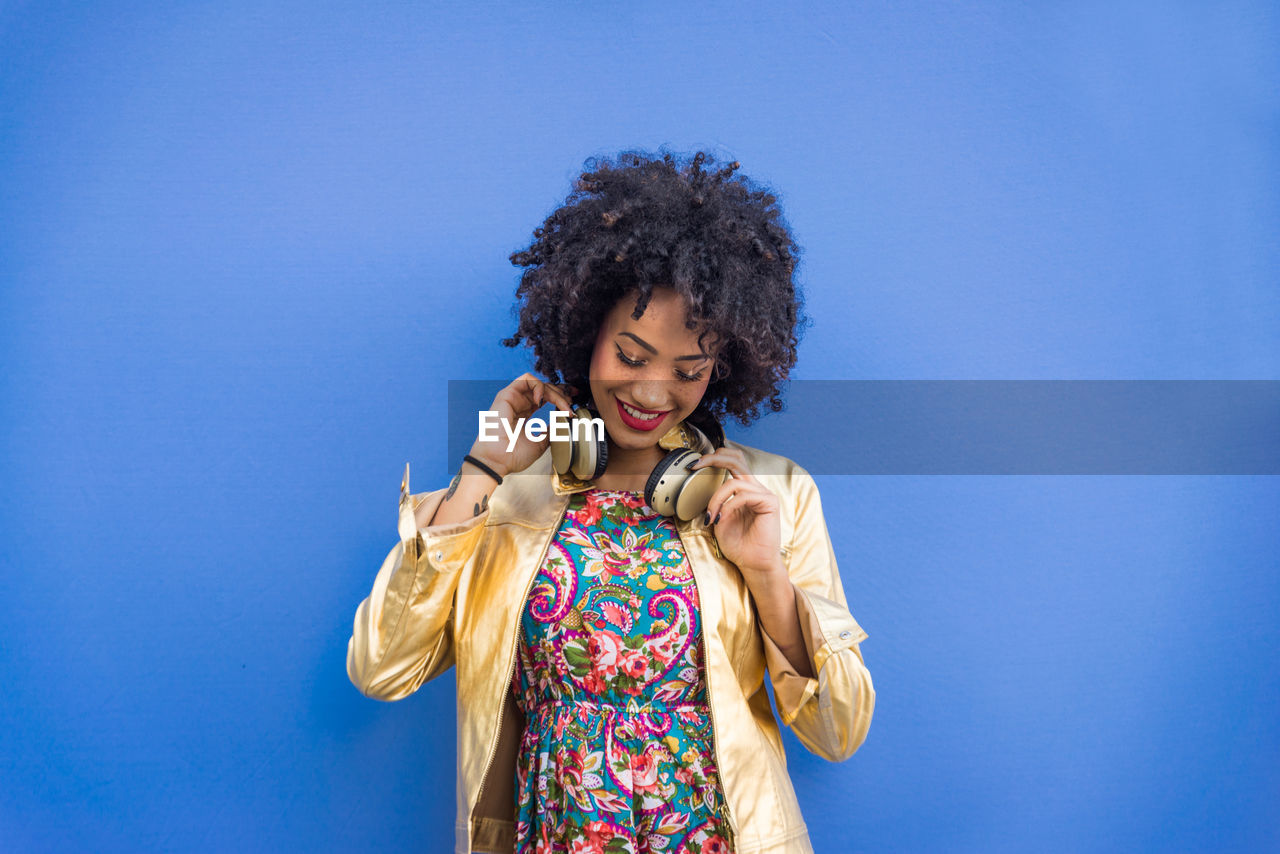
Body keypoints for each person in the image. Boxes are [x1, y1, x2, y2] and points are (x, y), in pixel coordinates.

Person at [346, 150, 875, 854]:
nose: (654, 393)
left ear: (722, 369)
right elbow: (382, 669)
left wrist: (768, 577)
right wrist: (480, 472)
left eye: (688, 371)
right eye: (630, 357)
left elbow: (838, 733)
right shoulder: (502, 500)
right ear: (586, 328)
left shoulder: (772, 495)